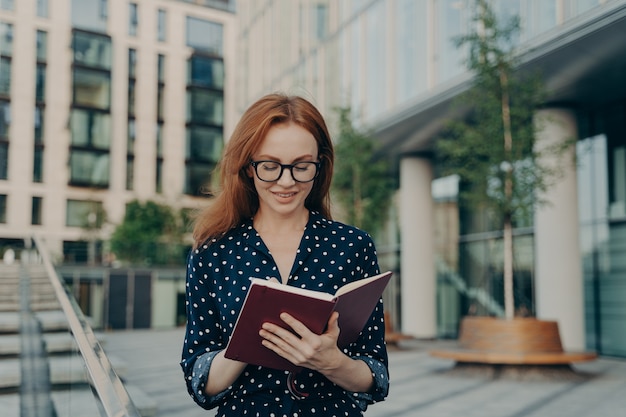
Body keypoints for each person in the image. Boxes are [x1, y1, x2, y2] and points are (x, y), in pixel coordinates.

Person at [180, 93, 389, 417]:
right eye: (270, 166)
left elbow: (376, 375)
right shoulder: (213, 251)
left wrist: (332, 363)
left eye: (302, 166)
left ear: (320, 166)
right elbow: (200, 380)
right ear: (248, 167)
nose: (286, 181)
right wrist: (248, 340)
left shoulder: (353, 246)